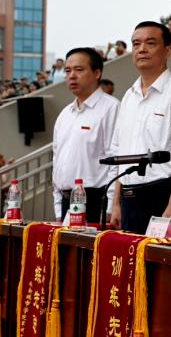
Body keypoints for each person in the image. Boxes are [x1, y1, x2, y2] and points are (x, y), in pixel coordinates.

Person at [109, 21, 171, 234]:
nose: (141, 49)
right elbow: (121, 154)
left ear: (167, 51)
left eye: (150, 43)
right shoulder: (129, 96)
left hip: (162, 196)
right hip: (128, 198)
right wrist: (116, 203)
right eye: (136, 44)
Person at [52, 48, 119, 223]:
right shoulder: (65, 114)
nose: (72, 76)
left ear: (97, 73)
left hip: (96, 201)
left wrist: (111, 207)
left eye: (79, 70)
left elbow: (116, 161)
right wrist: (58, 208)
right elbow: (57, 161)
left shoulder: (111, 108)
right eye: (68, 71)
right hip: (67, 202)